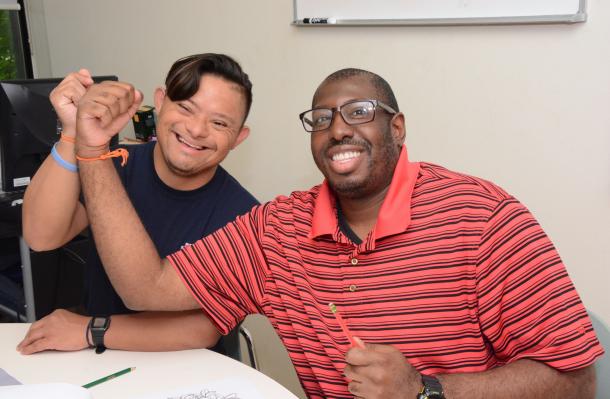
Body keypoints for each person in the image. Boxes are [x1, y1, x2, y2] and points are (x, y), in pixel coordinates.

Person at [74, 67, 603, 398]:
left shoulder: (483, 217)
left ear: (396, 128)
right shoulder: (276, 229)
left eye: (359, 112)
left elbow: (576, 381)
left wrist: (427, 391)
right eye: (322, 117)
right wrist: (94, 148)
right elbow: (145, 286)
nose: (339, 128)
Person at [17, 53, 258, 356]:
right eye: (185, 108)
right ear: (160, 101)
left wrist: (89, 329)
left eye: (219, 122)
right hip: (97, 359)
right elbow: (42, 235)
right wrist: (72, 133)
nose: (197, 130)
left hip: (190, 369)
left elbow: (201, 329)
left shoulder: (247, 218)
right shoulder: (112, 164)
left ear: (238, 137)